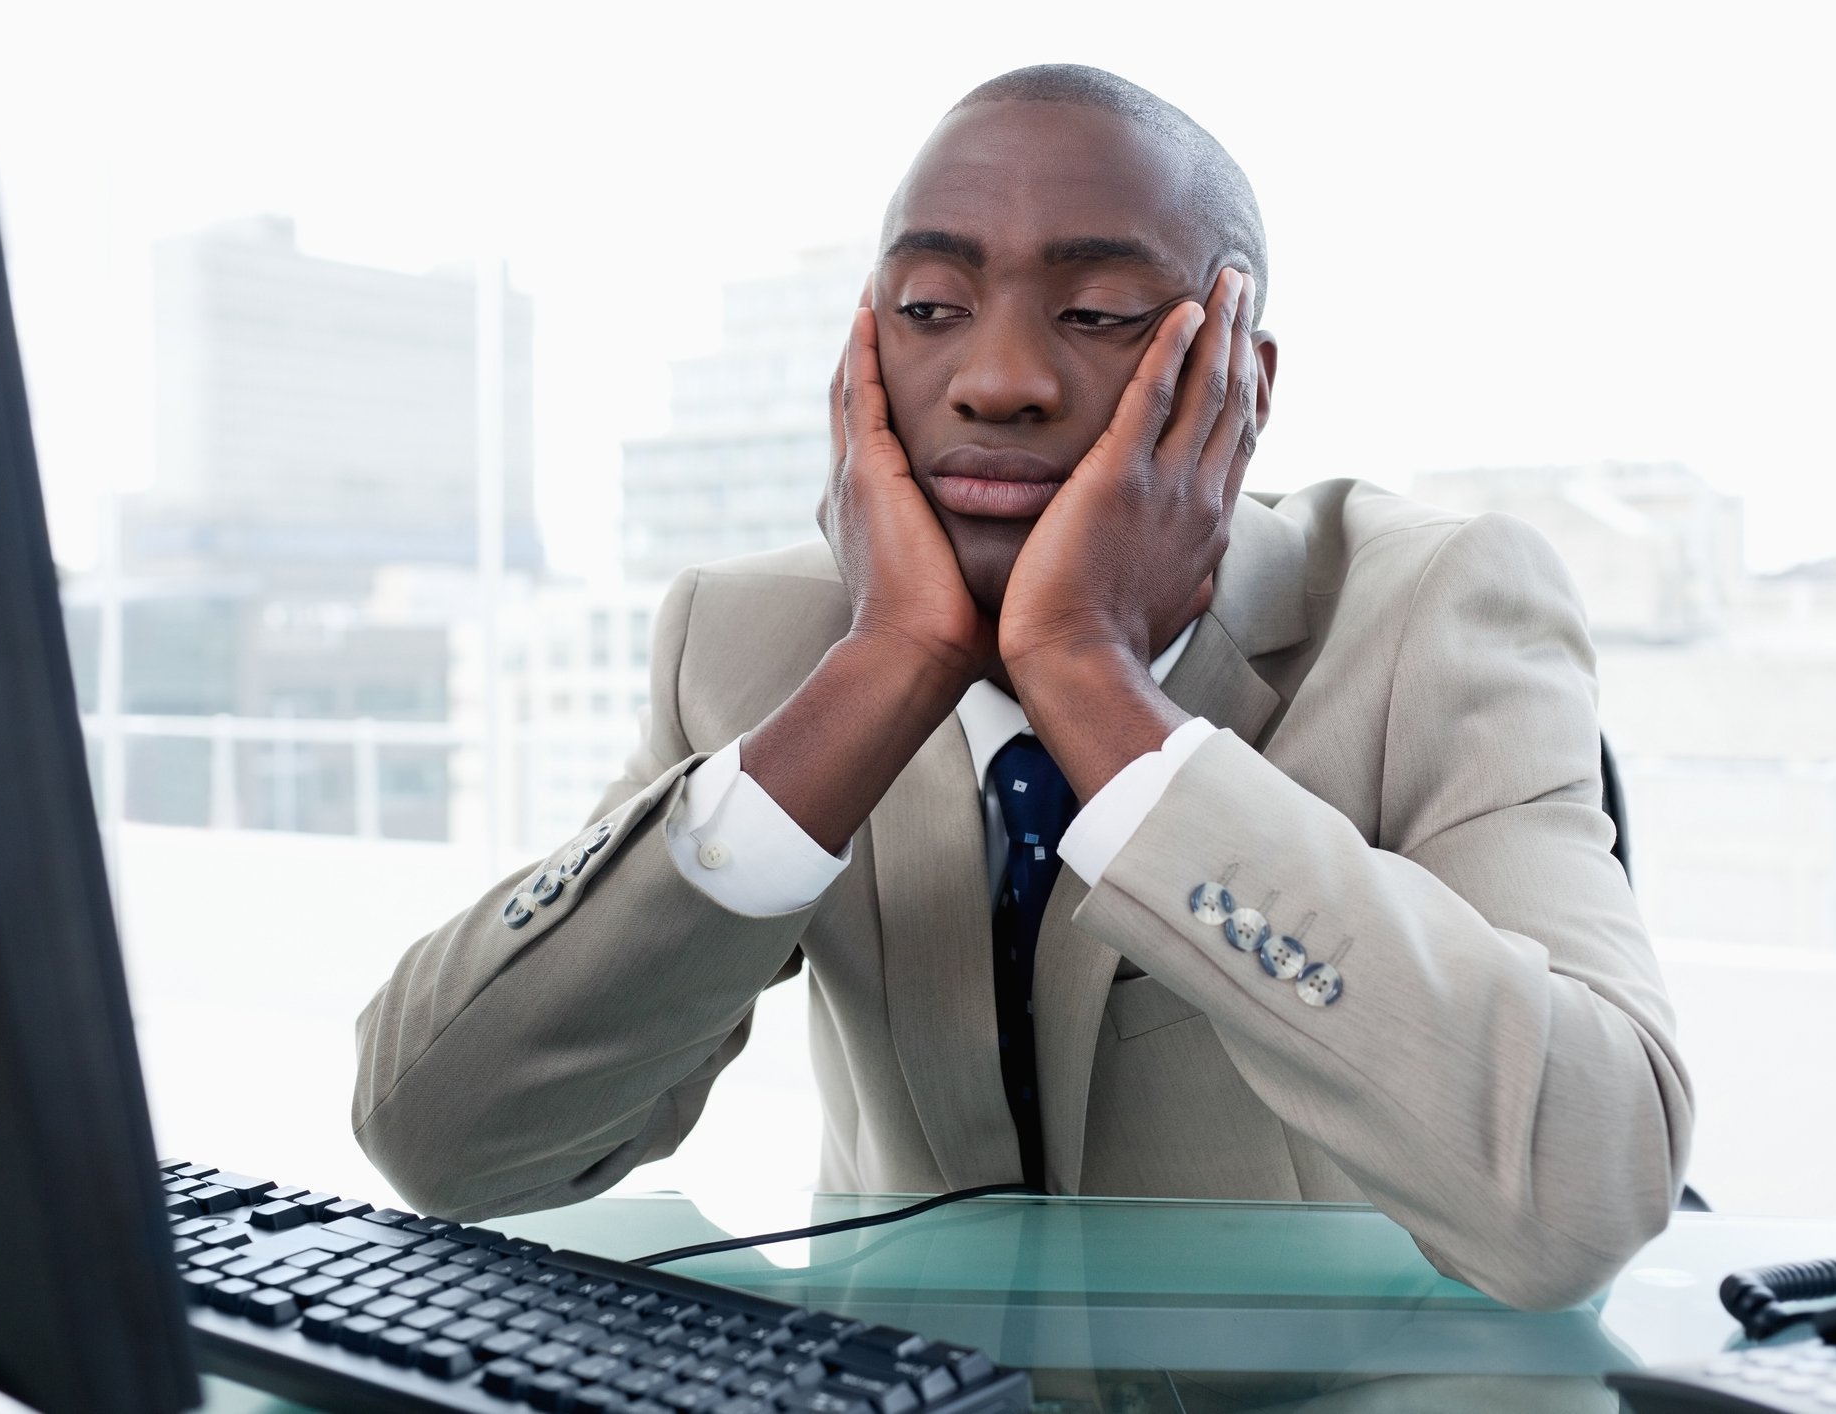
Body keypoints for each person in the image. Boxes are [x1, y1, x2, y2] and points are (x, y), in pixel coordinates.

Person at [352, 64, 1692, 1311]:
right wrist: (884, 665)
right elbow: (446, 1144)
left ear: (1241, 378)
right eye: (930, 308)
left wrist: (1095, 684)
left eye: (1098, 314)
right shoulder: (750, 640)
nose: (996, 382)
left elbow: (1584, 1194)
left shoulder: (1435, 608)